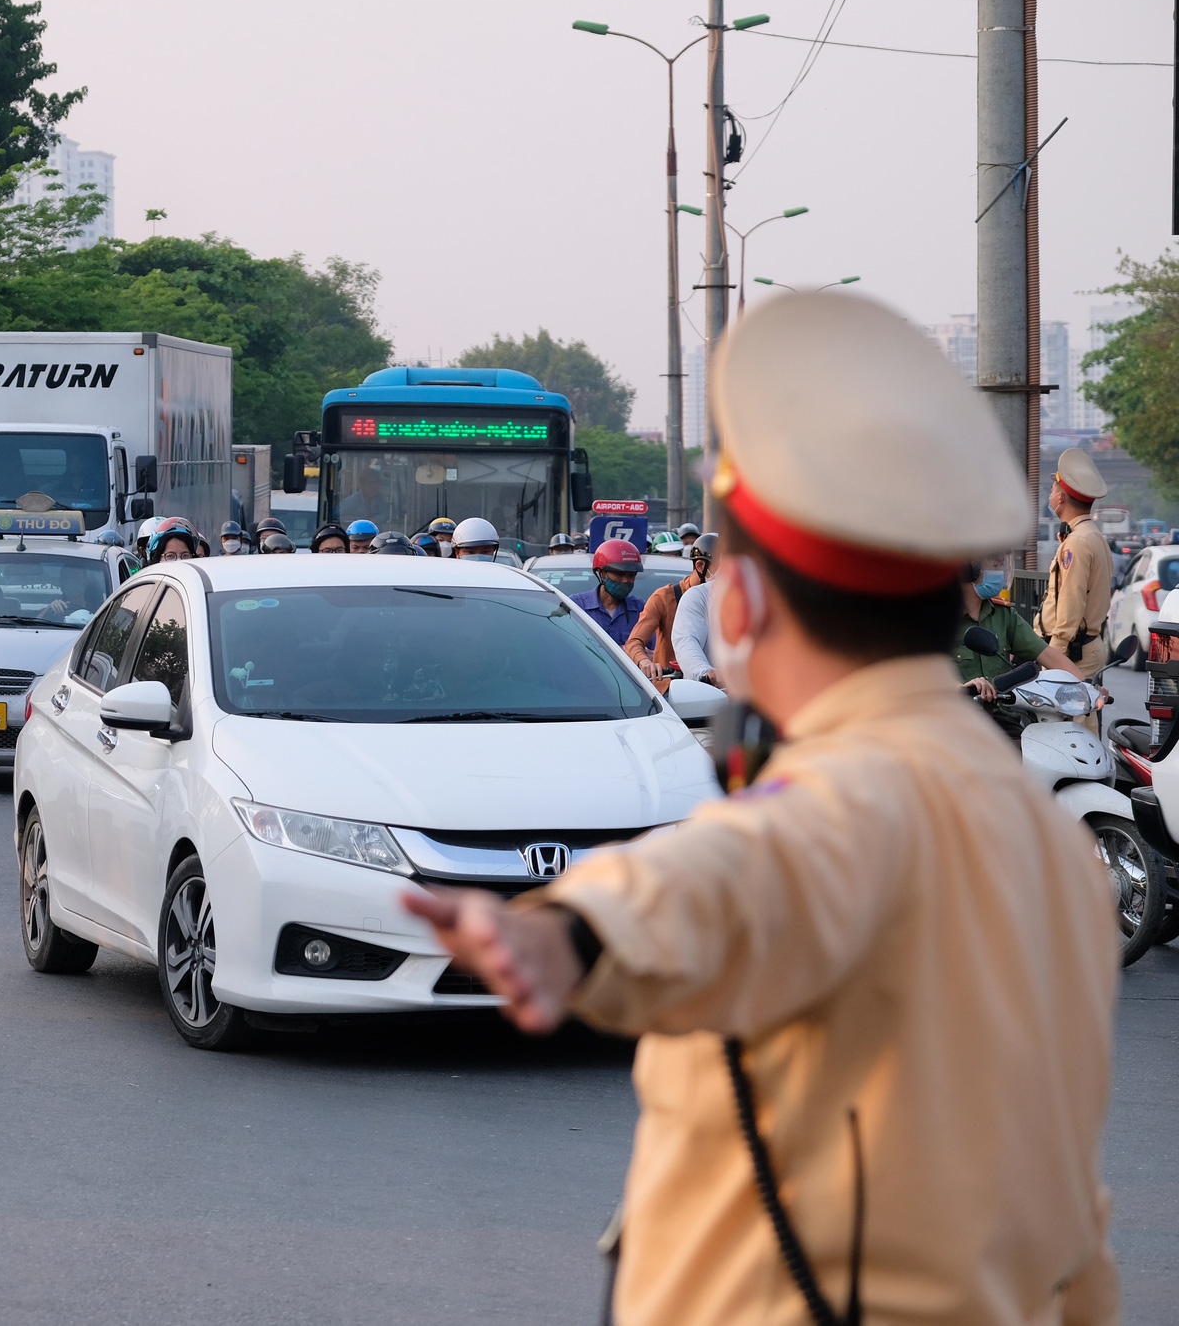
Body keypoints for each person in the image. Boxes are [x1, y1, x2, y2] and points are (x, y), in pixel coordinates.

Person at [402, 292, 1117, 1326]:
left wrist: (566, 932)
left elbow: (734, 878)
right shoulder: (1043, 843)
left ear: (737, 606)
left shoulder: (848, 797)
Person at [1039, 448, 1116, 695]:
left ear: (1060, 498)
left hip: (1072, 652)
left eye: (1053, 490)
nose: (1050, 495)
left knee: (1067, 728)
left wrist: (1054, 654)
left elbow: (1071, 603)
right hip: (1083, 646)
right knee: (1082, 723)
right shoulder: (1092, 536)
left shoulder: (1076, 543)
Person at [955, 558, 1078, 699]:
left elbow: (1047, 654)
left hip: (1001, 713)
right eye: (995, 565)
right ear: (967, 568)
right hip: (957, 714)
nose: (1000, 572)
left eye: (1002, 566)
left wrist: (1088, 687)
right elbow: (927, 670)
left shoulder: (1004, 614)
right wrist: (961, 688)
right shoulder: (938, 618)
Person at [625, 532, 713, 682]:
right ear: (700, 566)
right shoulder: (664, 597)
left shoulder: (731, 598)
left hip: (718, 688)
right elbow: (634, 642)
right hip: (672, 686)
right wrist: (645, 662)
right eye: (722, 567)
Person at [568, 539, 645, 646]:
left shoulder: (640, 609)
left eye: (631, 575)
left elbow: (654, 651)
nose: (626, 580)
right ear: (601, 573)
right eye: (619, 574)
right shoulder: (576, 606)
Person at [669, 537, 720, 684]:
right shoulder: (698, 597)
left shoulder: (769, 597)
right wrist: (705, 672)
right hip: (712, 693)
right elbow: (686, 640)